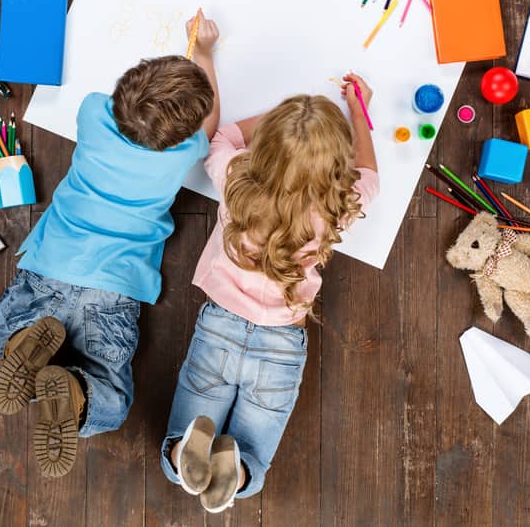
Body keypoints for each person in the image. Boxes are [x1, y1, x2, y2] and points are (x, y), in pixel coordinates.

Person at [0, 11, 220, 477]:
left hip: (51, 267)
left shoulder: (94, 111)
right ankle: (70, 390)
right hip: (113, 291)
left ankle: (33, 357)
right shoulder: (186, 151)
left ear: (122, 94)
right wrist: (203, 53)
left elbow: (148, 105)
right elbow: (211, 124)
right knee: (110, 402)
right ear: (181, 138)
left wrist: (178, 65)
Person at [160, 77, 379, 512]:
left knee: (180, 444)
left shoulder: (237, 178)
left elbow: (223, 135)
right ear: (337, 163)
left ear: (266, 146)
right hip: (280, 345)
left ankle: (187, 454)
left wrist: (287, 119)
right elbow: (370, 173)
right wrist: (357, 110)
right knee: (254, 457)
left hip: (219, 328)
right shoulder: (340, 202)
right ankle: (234, 472)